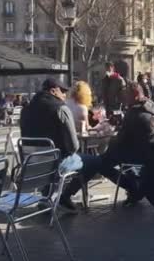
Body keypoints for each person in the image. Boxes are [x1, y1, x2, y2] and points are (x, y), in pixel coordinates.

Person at [20, 78, 103, 212]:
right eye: (62, 91)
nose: (65, 95)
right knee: (95, 161)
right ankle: (65, 197)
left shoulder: (26, 109)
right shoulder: (60, 109)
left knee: (50, 157)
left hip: (31, 165)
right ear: (53, 91)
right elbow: (73, 146)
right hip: (55, 165)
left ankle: (46, 197)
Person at [100, 82, 154, 208]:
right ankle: (136, 189)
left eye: (126, 95)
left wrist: (110, 140)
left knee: (102, 164)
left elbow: (121, 140)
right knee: (123, 158)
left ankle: (134, 188)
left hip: (146, 157)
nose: (123, 98)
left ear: (135, 95)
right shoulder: (151, 107)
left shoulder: (133, 113)